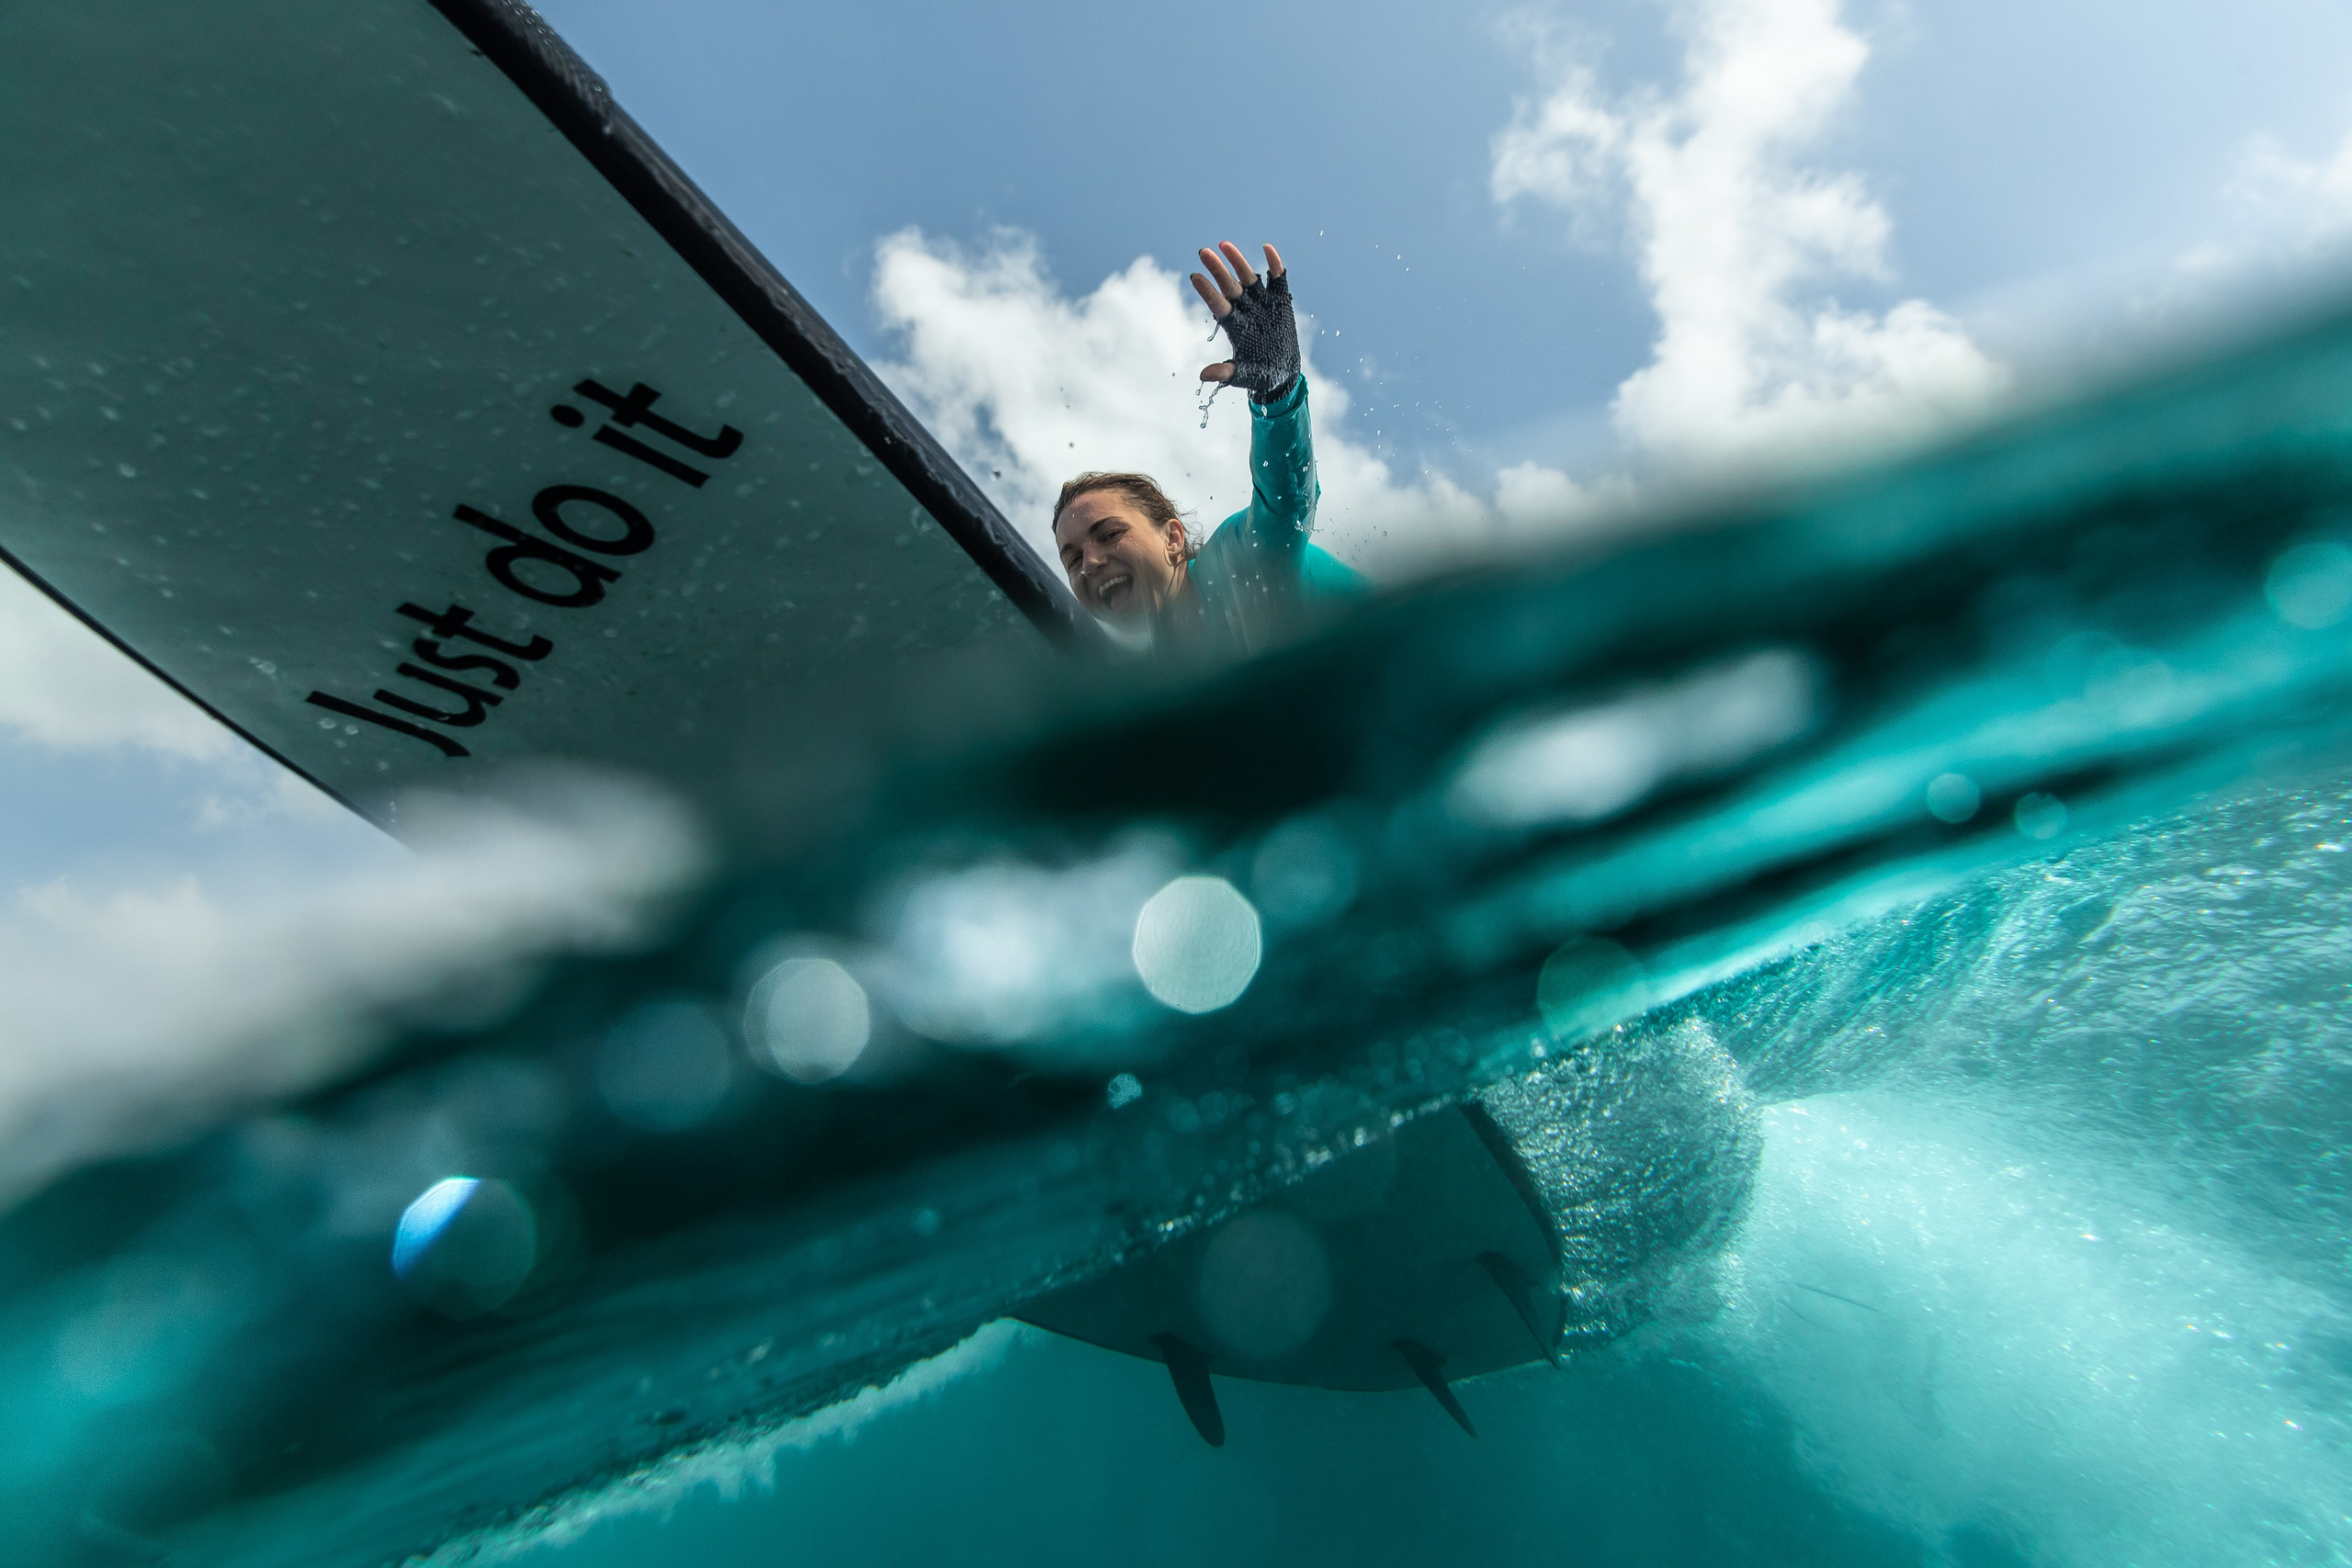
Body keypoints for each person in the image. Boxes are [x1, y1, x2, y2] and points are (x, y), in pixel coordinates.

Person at [1051, 241, 1363, 658]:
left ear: (1174, 539)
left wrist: (1280, 392)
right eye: (1072, 560)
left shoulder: (1239, 563)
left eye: (1109, 533)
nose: (1089, 564)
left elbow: (1287, 505)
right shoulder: (1153, 681)